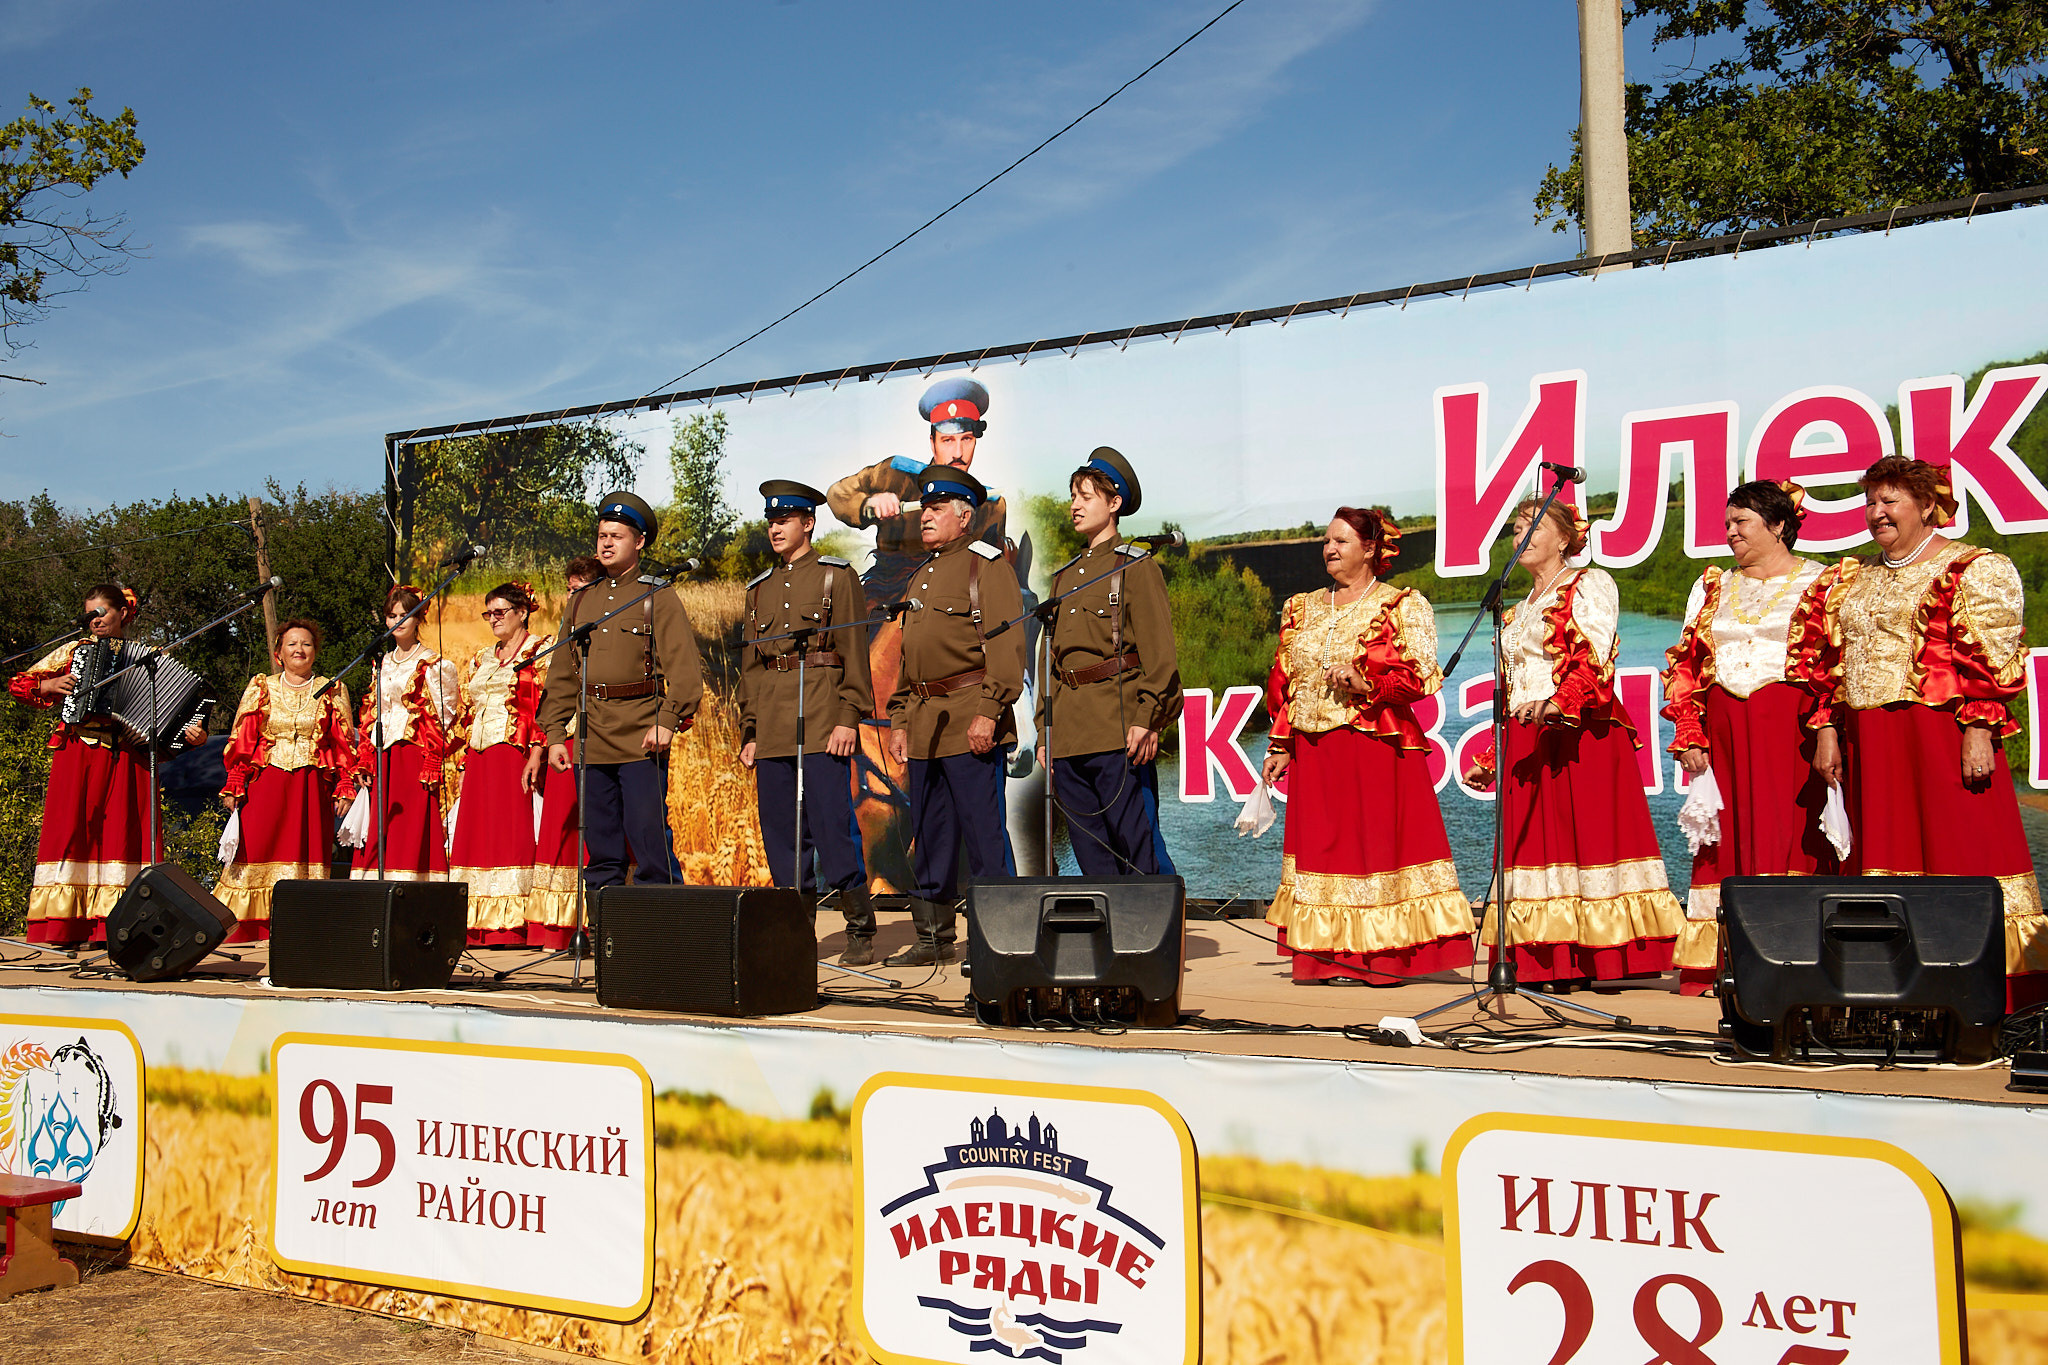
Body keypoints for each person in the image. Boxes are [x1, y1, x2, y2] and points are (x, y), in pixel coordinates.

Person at [1799, 455, 2048, 1009]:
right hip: (1873, 740)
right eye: (1870, 502)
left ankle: (1990, 995)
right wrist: (1829, 732)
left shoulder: (1972, 568)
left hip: (1938, 733)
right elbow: (1831, 664)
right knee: (1887, 856)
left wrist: (1979, 729)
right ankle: (1901, 989)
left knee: (1961, 848)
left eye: (1890, 501)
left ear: (1928, 506)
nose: (1876, 512)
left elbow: (1993, 656)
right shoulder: (1853, 577)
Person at [1465, 495, 1684, 989]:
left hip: (1577, 729)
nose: (1520, 537)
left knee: (1588, 839)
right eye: (1516, 529)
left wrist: (1560, 702)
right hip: (1526, 736)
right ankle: (1550, 960)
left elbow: (1595, 653)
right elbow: (1512, 684)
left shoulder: (1588, 584)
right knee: (1537, 851)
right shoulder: (1516, 609)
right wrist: (1489, 756)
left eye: (1531, 527)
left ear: (1564, 537)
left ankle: (1601, 960)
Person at [1257, 509, 1472, 984]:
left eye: (1341, 541)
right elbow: (1286, 679)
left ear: (1371, 549)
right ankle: (1325, 957)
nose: (1329, 549)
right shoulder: (1304, 607)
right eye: (1326, 541)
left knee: (1375, 852)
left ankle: (1380, 959)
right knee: (1324, 852)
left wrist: (1366, 681)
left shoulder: (1401, 605)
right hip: (1316, 753)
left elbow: (1423, 674)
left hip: (1374, 746)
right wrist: (1281, 744)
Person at [1661, 480, 1843, 994]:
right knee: (1728, 837)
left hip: (1791, 728)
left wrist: (1828, 729)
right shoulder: (1713, 586)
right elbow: (1686, 666)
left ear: (1779, 525)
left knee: (1793, 833)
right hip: (1725, 729)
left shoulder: (1823, 582)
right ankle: (1728, 961)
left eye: (1742, 522)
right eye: (1728, 524)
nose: (1731, 533)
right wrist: (1691, 732)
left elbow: (1834, 665)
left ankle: (1797, 957)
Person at [6, 585, 203, 944]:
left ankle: (115, 926)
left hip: (129, 757)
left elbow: (178, 717)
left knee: (124, 834)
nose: (95, 620)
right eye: (90, 615)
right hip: (79, 753)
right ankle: (64, 925)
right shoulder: (73, 651)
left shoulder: (152, 659)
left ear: (123, 614)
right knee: (72, 830)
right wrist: (49, 684)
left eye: (103, 613)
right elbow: (19, 684)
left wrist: (194, 735)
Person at [886, 466, 1025, 965]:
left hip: (970, 719)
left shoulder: (986, 567)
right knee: (931, 835)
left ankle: (999, 941)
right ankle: (933, 939)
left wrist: (989, 712)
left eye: (936, 508)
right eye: (925, 507)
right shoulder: (920, 575)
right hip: (925, 724)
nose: (925, 515)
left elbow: (1007, 649)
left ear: (964, 517)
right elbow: (908, 658)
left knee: (984, 837)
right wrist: (900, 718)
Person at [537, 492, 704, 906]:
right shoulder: (581, 600)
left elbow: (684, 673)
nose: (606, 543)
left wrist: (667, 722)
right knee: (602, 848)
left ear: (639, 542)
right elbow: (562, 675)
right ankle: (606, 939)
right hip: (592, 739)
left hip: (640, 737)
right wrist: (556, 734)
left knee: (649, 842)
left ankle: (662, 939)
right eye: (601, 536)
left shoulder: (657, 596)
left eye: (616, 536)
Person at [739, 481, 879, 965]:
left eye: (785, 520)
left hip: (822, 718)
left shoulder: (834, 578)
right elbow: (751, 669)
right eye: (771, 521)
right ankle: (796, 935)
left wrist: (848, 717)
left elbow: (855, 657)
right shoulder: (757, 590)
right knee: (781, 832)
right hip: (774, 724)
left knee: (831, 825)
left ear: (808, 523)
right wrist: (751, 731)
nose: (776, 528)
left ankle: (860, 927)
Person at [1035, 448, 1182, 876]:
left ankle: (1159, 941)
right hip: (1068, 736)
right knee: (1093, 856)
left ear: (1114, 504)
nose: (1074, 506)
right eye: (1073, 497)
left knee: (1140, 850)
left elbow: (1160, 656)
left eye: (1086, 496)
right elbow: (1052, 661)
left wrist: (1149, 719)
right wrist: (1046, 731)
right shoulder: (1064, 577)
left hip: (1118, 729)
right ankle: (1114, 942)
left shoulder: (1135, 567)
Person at [215, 619, 357, 939]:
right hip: (266, 781)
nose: (299, 649)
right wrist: (236, 779)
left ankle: (301, 926)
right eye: (292, 643)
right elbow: (244, 736)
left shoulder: (331, 689)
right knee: (256, 849)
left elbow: (343, 742)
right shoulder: (262, 687)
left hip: (310, 786)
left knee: (305, 853)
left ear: (315, 652)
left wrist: (345, 785)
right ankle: (247, 927)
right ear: (279, 652)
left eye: (306, 644)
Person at [828, 377, 1008, 602]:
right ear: (932, 443)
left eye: (967, 439)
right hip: (887, 595)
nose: (958, 453)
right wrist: (869, 504)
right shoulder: (895, 475)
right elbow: (838, 494)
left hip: (955, 600)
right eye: (948, 440)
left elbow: (994, 572)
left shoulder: (990, 505)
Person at [449, 582, 549, 946]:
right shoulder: (481, 656)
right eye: (487, 613)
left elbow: (544, 707)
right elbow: (469, 713)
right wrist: (463, 766)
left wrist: (537, 753)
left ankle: (511, 924)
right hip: (479, 755)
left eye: (500, 612)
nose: (493, 619)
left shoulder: (539, 650)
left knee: (510, 833)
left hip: (515, 753)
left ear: (522, 612)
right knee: (477, 834)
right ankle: (475, 923)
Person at [348, 584, 458, 881]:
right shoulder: (381, 663)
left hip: (414, 755)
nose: (397, 621)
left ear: (419, 617)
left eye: (404, 614)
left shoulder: (435, 664)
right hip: (385, 755)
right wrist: (365, 759)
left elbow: (444, 717)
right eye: (391, 615)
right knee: (381, 827)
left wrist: (433, 759)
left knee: (409, 827)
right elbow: (371, 714)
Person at [526, 556, 600, 947]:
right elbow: (553, 692)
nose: (572, 597)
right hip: (565, 743)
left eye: (579, 589)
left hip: (601, 739)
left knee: (597, 835)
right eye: (569, 590)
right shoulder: (566, 634)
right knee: (562, 830)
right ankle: (559, 926)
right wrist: (545, 742)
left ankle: (600, 921)